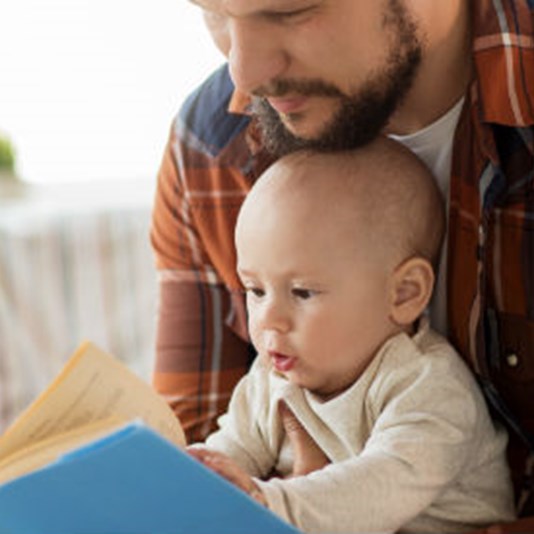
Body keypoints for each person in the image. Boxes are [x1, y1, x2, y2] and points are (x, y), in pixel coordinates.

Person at [150, 0, 534, 524]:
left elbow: (390, 475)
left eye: (289, 11)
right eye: (212, 11)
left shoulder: (423, 387)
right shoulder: (210, 145)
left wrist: (274, 503)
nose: (244, 71)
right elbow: (197, 459)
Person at [187, 140, 515, 533]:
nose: (269, 319)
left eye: (302, 292)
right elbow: (233, 452)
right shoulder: (270, 378)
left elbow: (374, 490)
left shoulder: (429, 387)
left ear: (404, 293)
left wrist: (266, 500)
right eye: (256, 291)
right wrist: (196, 478)